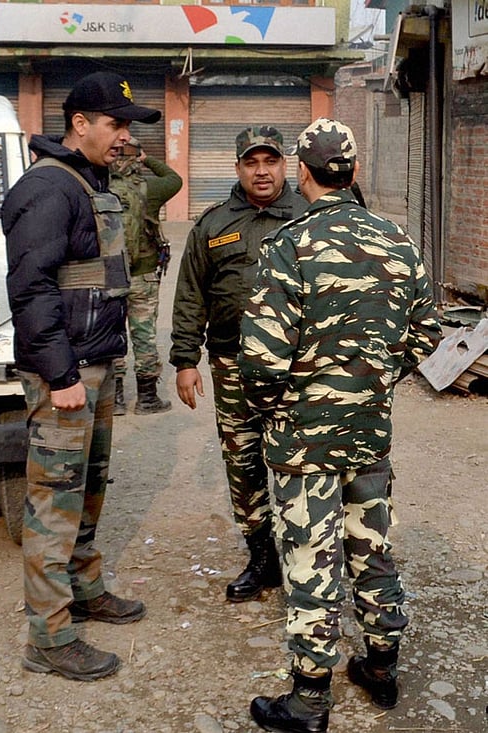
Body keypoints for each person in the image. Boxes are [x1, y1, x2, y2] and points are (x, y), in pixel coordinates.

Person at [238, 119, 442, 732]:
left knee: (310, 558)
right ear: (352, 172)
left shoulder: (290, 246)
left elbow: (262, 357)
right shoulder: (398, 243)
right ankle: (381, 666)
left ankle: (308, 702)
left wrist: (273, 405)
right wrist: (376, 379)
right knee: (372, 546)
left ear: (302, 173)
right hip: (368, 433)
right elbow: (429, 336)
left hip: (304, 438)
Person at [1, 71, 160, 681]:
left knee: (87, 491)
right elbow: (31, 288)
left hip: (95, 365)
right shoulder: (49, 188)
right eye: (116, 124)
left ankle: (84, 589)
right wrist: (62, 373)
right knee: (53, 504)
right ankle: (48, 636)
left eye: (127, 126)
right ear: (79, 124)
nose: (124, 136)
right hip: (66, 374)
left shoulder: (87, 181)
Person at [169, 126, 307, 602]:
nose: (262, 171)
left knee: (299, 462)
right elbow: (191, 295)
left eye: (270, 161)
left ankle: (305, 560)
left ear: (286, 165)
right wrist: (185, 360)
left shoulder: (310, 216)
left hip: (299, 368)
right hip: (233, 366)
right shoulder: (213, 224)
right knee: (242, 462)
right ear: (238, 169)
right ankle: (261, 556)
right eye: (252, 163)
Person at [109, 137, 183, 415]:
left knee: (112, 333)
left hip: (110, 276)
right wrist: (147, 158)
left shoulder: (98, 187)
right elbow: (174, 178)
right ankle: (147, 399)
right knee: (144, 336)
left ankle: (115, 400)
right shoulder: (150, 188)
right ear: (134, 157)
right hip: (144, 276)